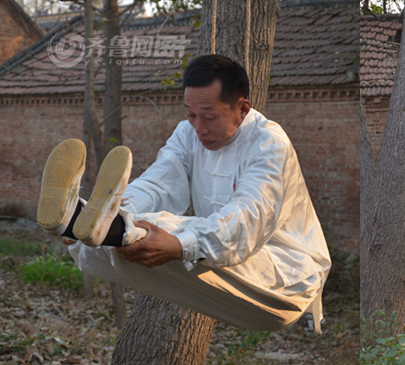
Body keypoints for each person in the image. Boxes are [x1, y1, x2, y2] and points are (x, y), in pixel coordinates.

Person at [36, 55, 331, 332]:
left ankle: (109, 226)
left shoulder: (269, 145)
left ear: (242, 109)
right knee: (126, 247)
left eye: (209, 116)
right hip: (228, 268)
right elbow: (158, 183)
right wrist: (122, 210)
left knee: (178, 236)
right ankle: (89, 223)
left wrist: (181, 245)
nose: (199, 128)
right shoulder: (187, 133)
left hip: (288, 281)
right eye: (191, 115)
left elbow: (245, 223)